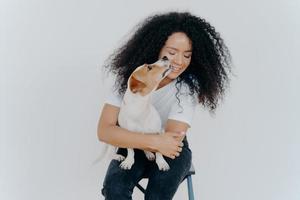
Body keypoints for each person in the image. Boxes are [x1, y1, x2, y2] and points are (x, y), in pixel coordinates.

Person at [97, 11, 231, 200]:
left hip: (171, 149)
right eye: (171, 53)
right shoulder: (131, 79)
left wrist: (148, 140)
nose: (179, 61)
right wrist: (153, 142)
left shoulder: (187, 88)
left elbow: (171, 141)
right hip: (133, 146)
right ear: (156, 49)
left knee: (157, 195)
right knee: (115, 189)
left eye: (187, 55)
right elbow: (104, 131)